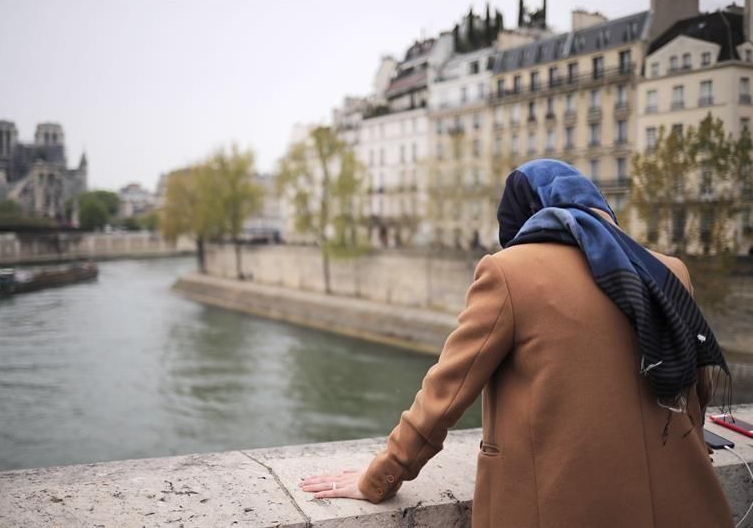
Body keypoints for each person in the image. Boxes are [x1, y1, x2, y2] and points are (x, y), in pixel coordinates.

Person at [298, 159, 735, 527]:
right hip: (688, 505)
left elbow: (443, 396)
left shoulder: (509, 272)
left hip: (560, 510)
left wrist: (381, 477)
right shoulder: (667, 271)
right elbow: (695, 395)